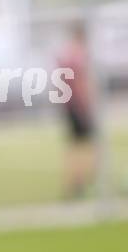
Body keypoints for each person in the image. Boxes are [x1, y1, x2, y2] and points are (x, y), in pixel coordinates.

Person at [58, 22, 97, 199]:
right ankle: (84, 180)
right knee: (87, 143)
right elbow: (80, 82)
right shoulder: (79, 54)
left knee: (75, 145)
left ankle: (76, 181)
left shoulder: (65, 53)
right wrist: (86, 104)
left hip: (68, 105)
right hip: (78, 105)